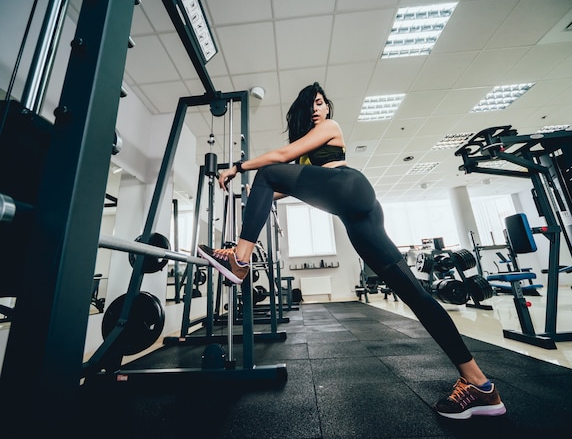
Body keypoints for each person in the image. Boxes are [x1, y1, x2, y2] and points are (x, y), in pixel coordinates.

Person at [197, 82, 506, 420]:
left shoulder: (330, 128)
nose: (315, 109)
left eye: (319, 102)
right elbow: (276, 189)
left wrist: (239, 167)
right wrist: (252, 194)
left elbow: (278, 161)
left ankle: (240, 262)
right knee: (416, 295)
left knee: (268, 172)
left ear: (327, 108)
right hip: (360, 219)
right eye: (309, 105)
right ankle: (480, 385)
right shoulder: (307, 158)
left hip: (351, 187)